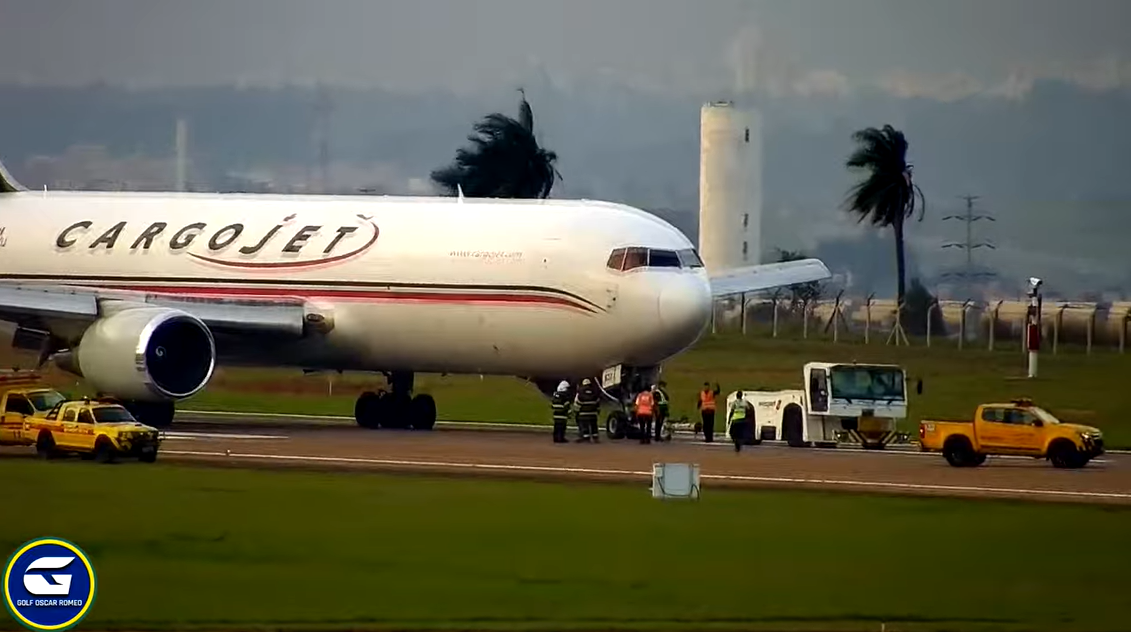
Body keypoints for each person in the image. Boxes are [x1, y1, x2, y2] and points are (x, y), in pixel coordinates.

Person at [574, 378, 600, 443]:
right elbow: (597, 401)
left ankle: (586, 438)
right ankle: (595, 438)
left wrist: (577, 411)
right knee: (594, 426)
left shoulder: (580, 391)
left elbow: (577, 402)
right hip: (593, 413)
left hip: (583, 413)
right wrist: (597, 410)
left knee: (585, 426)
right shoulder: (594, 391)